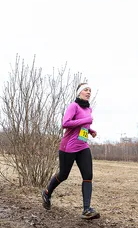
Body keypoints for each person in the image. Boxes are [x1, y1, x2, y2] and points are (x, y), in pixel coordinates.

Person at [41, 83, 100, 220]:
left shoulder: (88, 109)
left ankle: (86, 209)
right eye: (86, 90)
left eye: (90, 90)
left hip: (83, 146)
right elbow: (65, 123)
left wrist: (90, 130)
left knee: (88, 175)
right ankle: (47, 193)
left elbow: (81, 125)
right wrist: (86, 120)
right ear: (79, 92)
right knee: (63, 175)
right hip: (69, 147)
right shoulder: (74, 106)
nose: (88, 92)